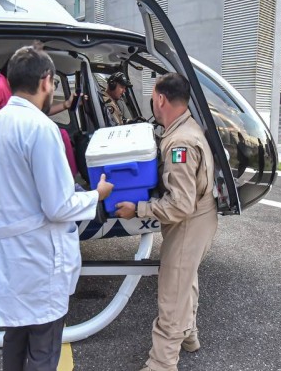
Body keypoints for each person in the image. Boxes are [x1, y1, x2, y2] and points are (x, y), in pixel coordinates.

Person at [0, 44, 114, 371]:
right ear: (46, 81)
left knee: (15, 339)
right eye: (52, 84)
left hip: (7, 259)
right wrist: (97, 195)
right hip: (37, 260)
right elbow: (58, 205)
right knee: (43, 346)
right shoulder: (42, 129)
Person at [114, 73, 218, 371]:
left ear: (160, 99)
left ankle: (161, 364)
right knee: (186, 280)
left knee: (172, 292)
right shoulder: (187, 126)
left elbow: (180, 204)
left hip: (190, 221)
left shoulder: (179, 143)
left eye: (152, 97)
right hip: (200, 215)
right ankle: (190, 336)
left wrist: (138, 208)